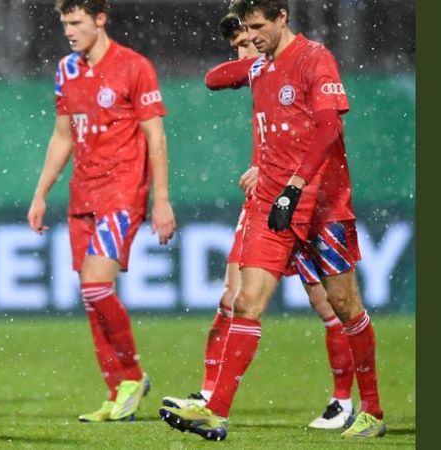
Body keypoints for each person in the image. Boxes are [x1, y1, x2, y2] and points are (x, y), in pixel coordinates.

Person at [159, 0, 385, 440]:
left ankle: (370, 409)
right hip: (270, 205)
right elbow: (213, 79)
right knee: (246, 302)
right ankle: (216, 412)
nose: (253, 36)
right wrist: (247, 57)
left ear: (283, 16)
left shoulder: (315, 59)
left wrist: (296, 185)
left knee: (344, 307)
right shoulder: (260, 65)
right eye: (247, 29)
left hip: (321, 205)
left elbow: (329, 130)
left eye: (259, 27)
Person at [27, 0, 176, 423]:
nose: (69, 31)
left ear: (100, 20)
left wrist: (160, 199)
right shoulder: (66, 70)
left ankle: (132, 375)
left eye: (76, 23)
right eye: (64, 24)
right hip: (83, 196)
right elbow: (62, 136)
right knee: (92, 299)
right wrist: (41, 193)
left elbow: (155, 137)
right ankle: (117, 395)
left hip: (123, 192)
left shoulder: (134, 67)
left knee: (95, 287)